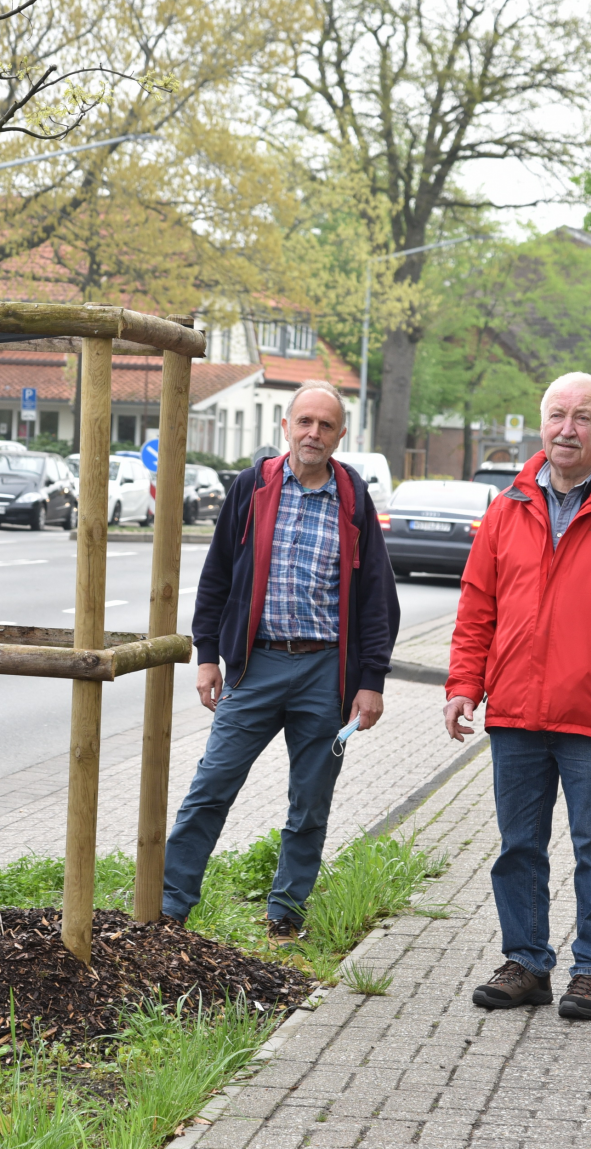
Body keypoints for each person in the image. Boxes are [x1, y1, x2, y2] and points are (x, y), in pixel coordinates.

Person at [444, 372, 591, 1021]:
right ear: (539, 424)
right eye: (555, 415)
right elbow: (477, 607)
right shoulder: (507, 508)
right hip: (516, 711)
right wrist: (464, 684)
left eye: (580, 417)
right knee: (518, 846)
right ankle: (526, 963)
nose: (566, 429)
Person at [164, 380, 400, 943]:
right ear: (286, 427)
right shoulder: (253, 487)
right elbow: (217, 575)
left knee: (310, 801)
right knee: (210, 787)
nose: (313, 433)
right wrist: (207, 656)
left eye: (325, 425)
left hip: (326, 675)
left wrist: (371, 682)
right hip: (256, 666)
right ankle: (169, 908)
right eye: (304, 422)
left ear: (341, 435)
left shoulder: (353, 499)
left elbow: (376, 599)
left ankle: (285, 915)